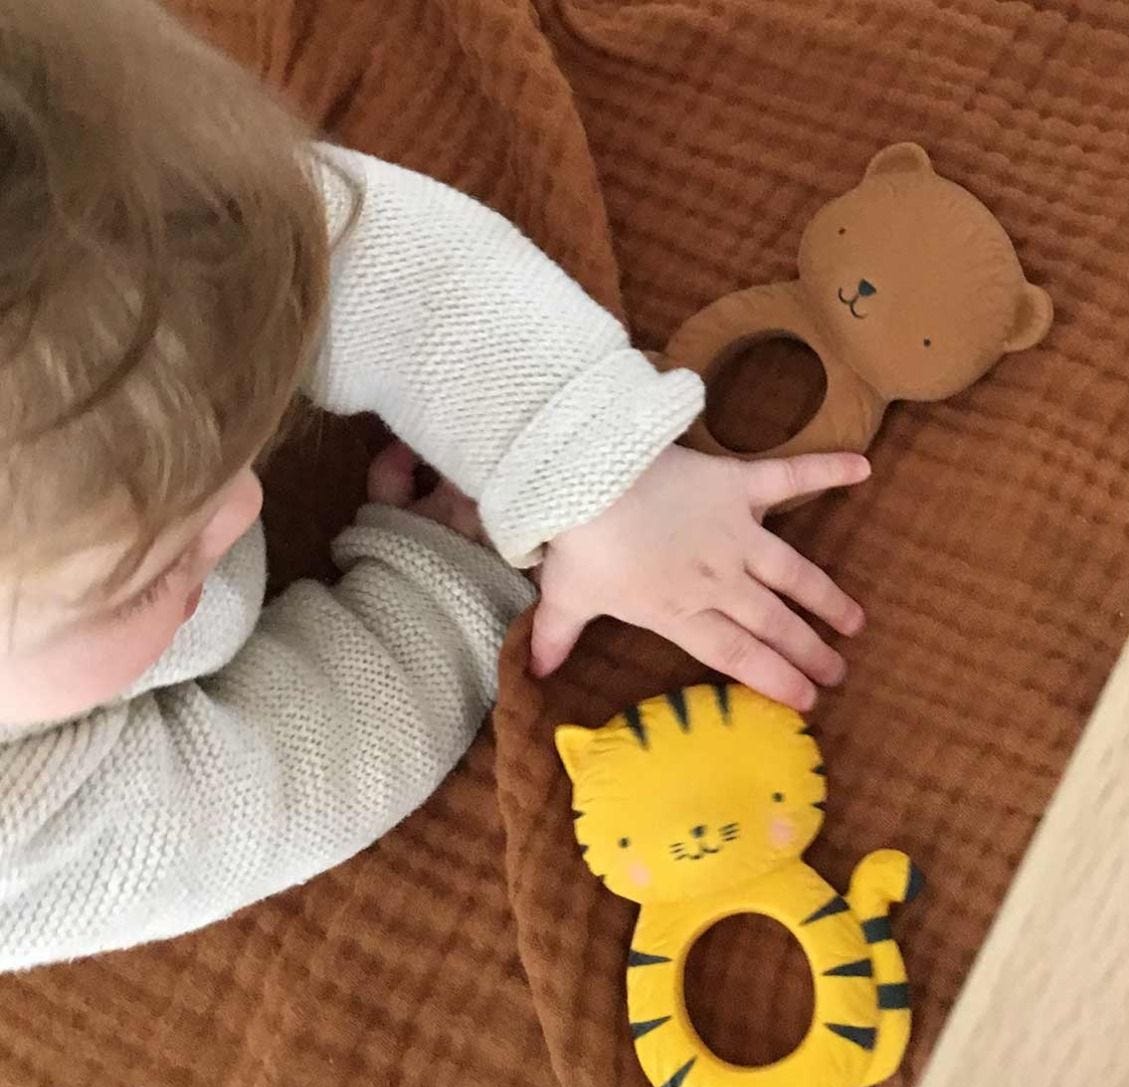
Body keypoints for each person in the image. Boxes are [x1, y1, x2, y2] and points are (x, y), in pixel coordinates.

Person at [0, 0, 868, 970]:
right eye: (139, 579)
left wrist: (585, 461)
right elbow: (268, 791)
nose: (244, 504)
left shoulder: (103, 204)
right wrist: (434, 590)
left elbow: (338, 247)